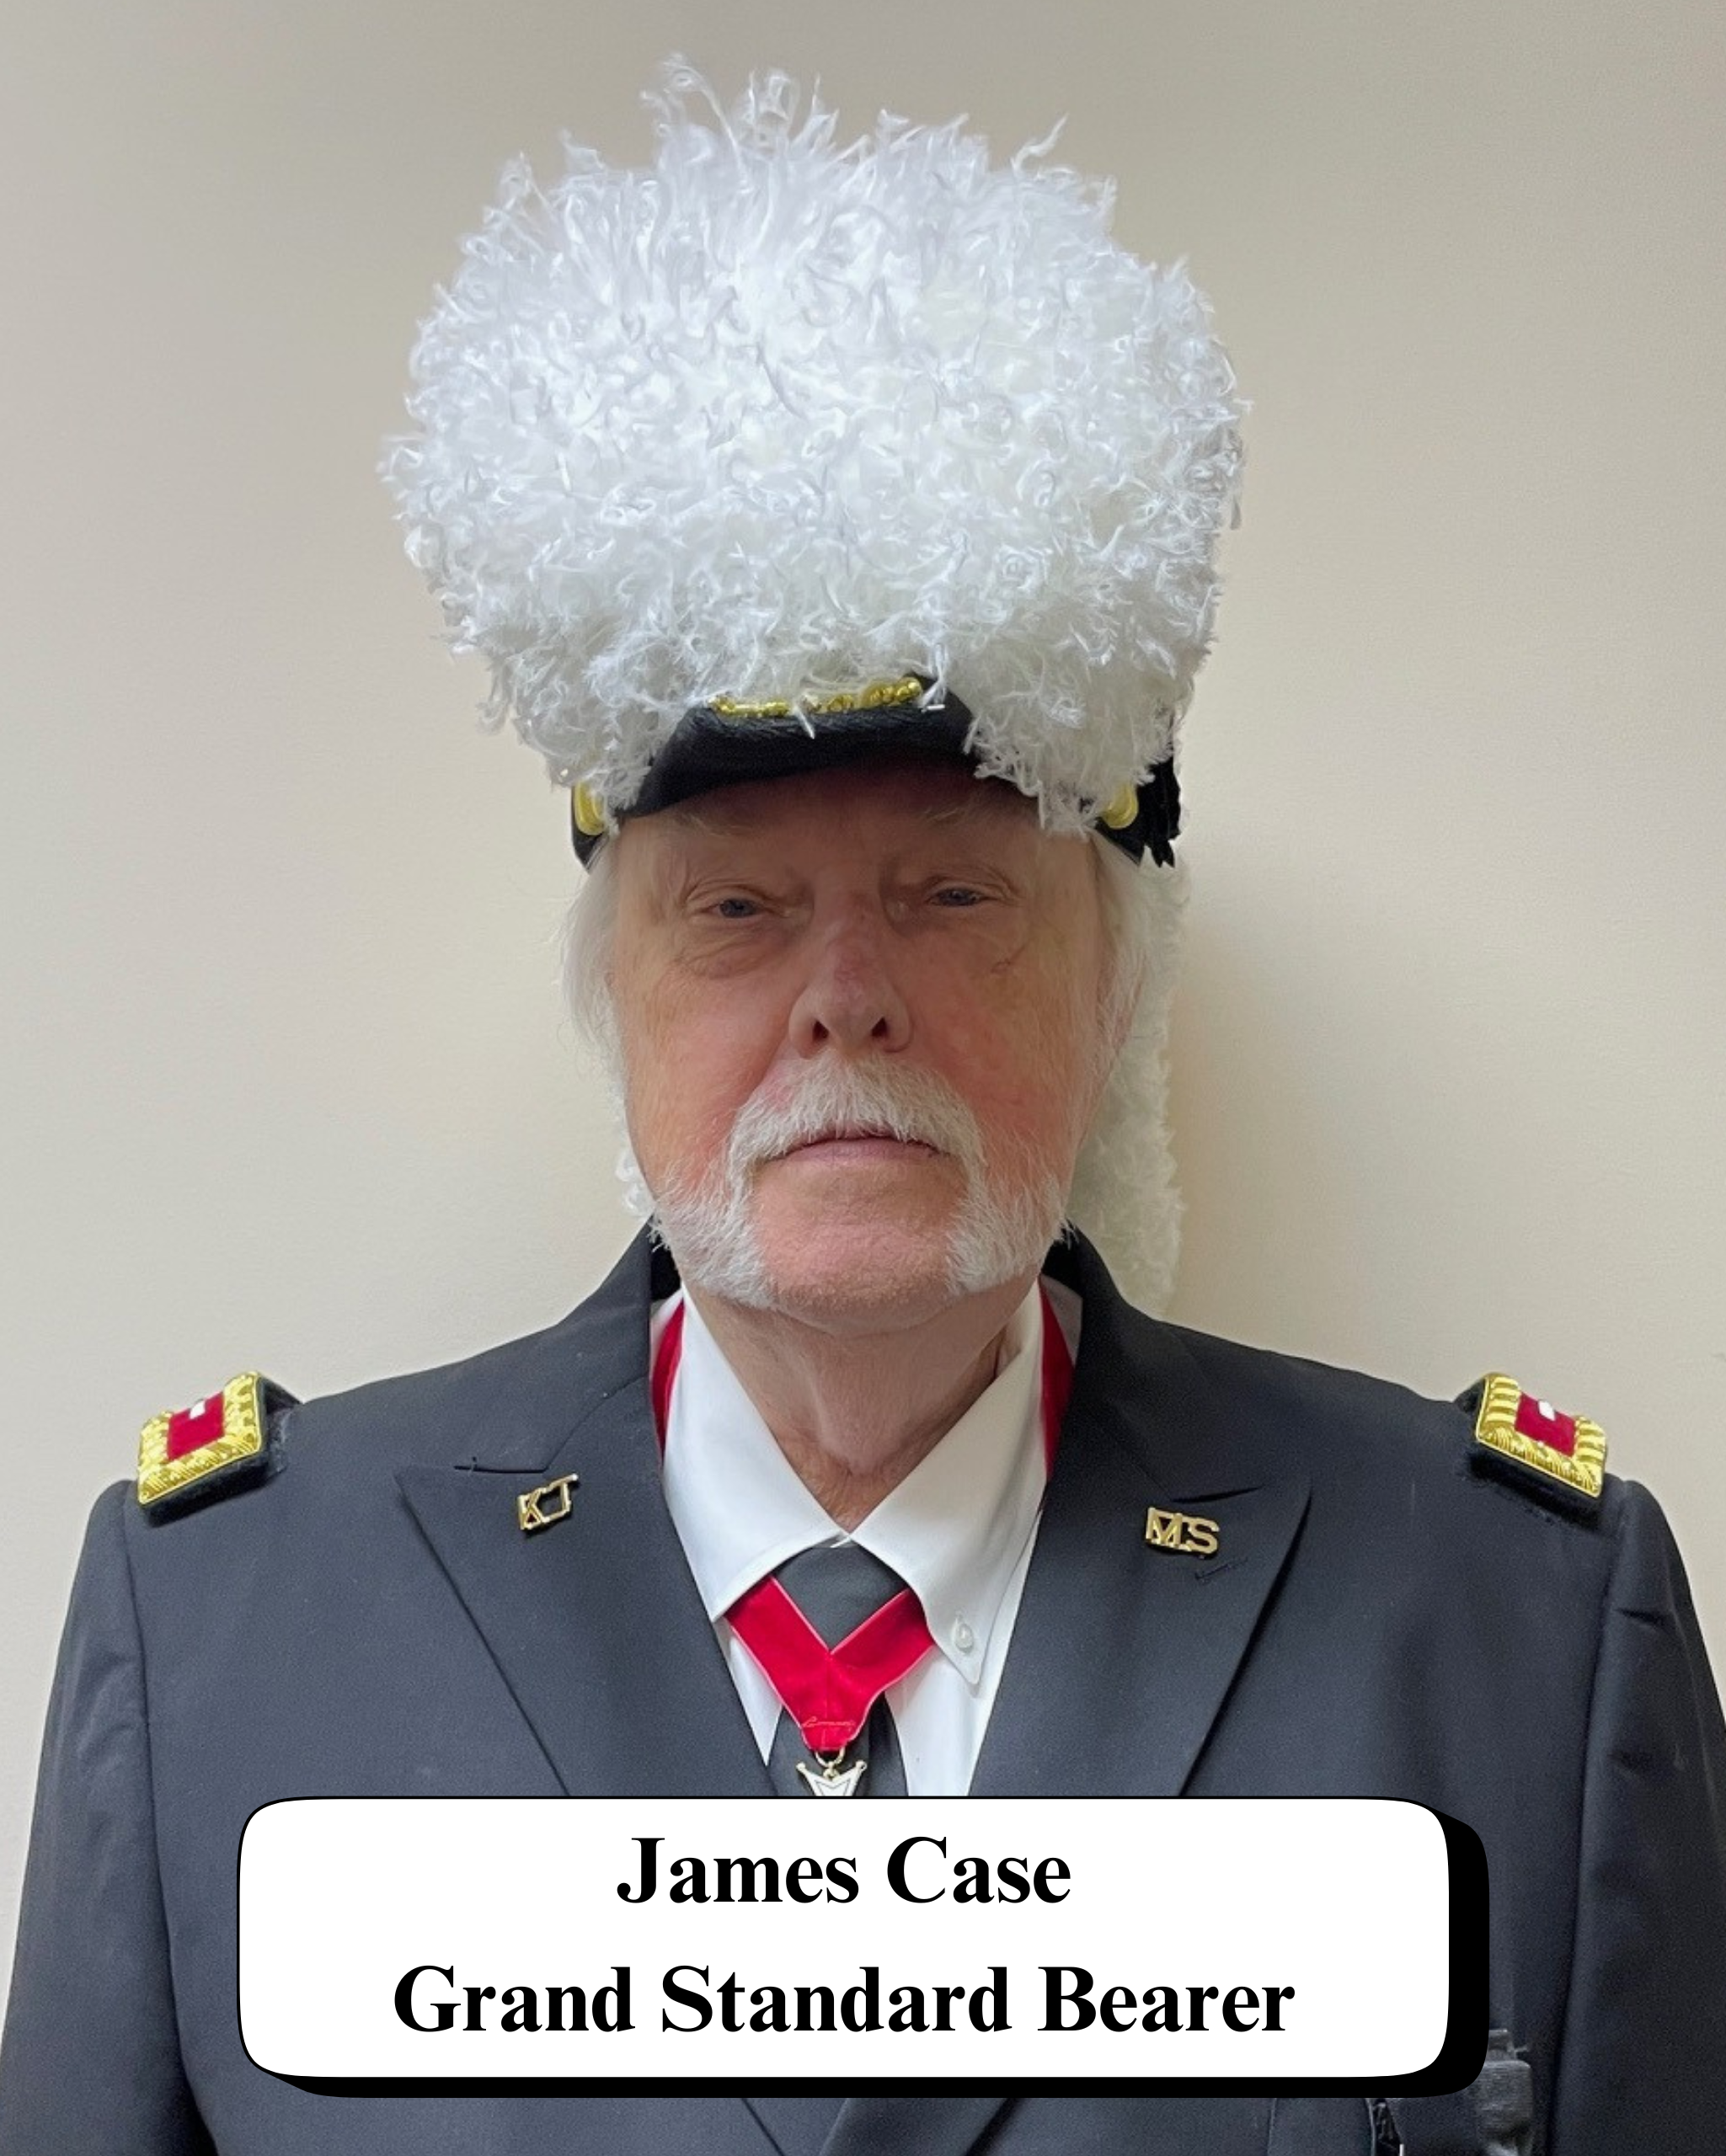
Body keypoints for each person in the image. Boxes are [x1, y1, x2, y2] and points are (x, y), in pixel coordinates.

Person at [3, 59, 1722, 2156]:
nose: (843, 998)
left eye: (952, 896)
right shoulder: (219, 1618)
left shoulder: (1522, 1617)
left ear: (1115, 987)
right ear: (613, 999)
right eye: (733, 910)